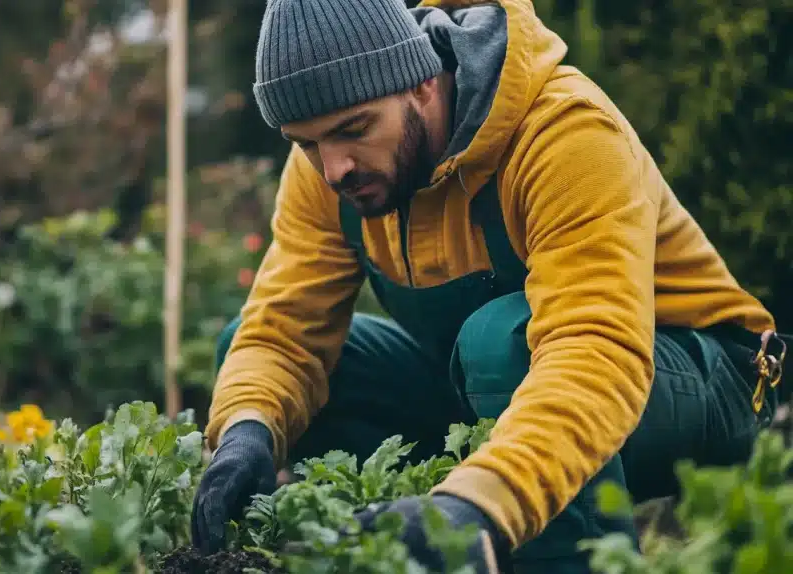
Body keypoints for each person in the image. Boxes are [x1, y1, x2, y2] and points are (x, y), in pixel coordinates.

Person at [190, 1, 789, 572]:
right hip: (497, 390)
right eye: (307, 143)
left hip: (695, 383)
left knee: (501, 341)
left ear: (421, 84)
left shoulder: (564, 133)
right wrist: (246, 433)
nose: (334, 167)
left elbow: (594, 349)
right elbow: (284, 330)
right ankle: (384, 550)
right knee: (258, 364)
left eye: (354, 128)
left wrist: (480, 503)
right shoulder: (327, 169)